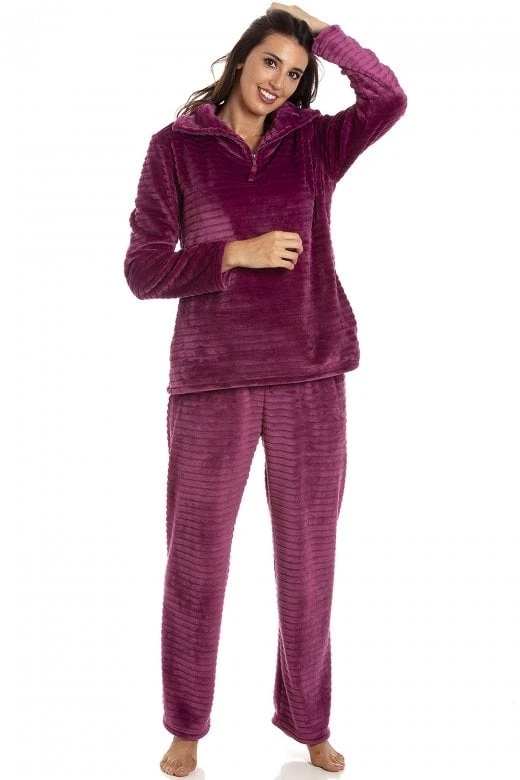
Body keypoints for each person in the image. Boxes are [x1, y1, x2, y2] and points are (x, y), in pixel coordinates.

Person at [124, 3, 407, 776]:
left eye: (294, 70)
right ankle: (186, 725)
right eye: (270, 60)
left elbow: (388, 97)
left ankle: (311, 724)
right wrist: (234, 252)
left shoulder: (313, 143)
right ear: (243, 57)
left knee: (308, 562)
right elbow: (142, 270)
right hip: (211, 380)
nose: (278, 80)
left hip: (310, 375)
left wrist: (322, 32)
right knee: (196, 562)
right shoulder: (175, 149)